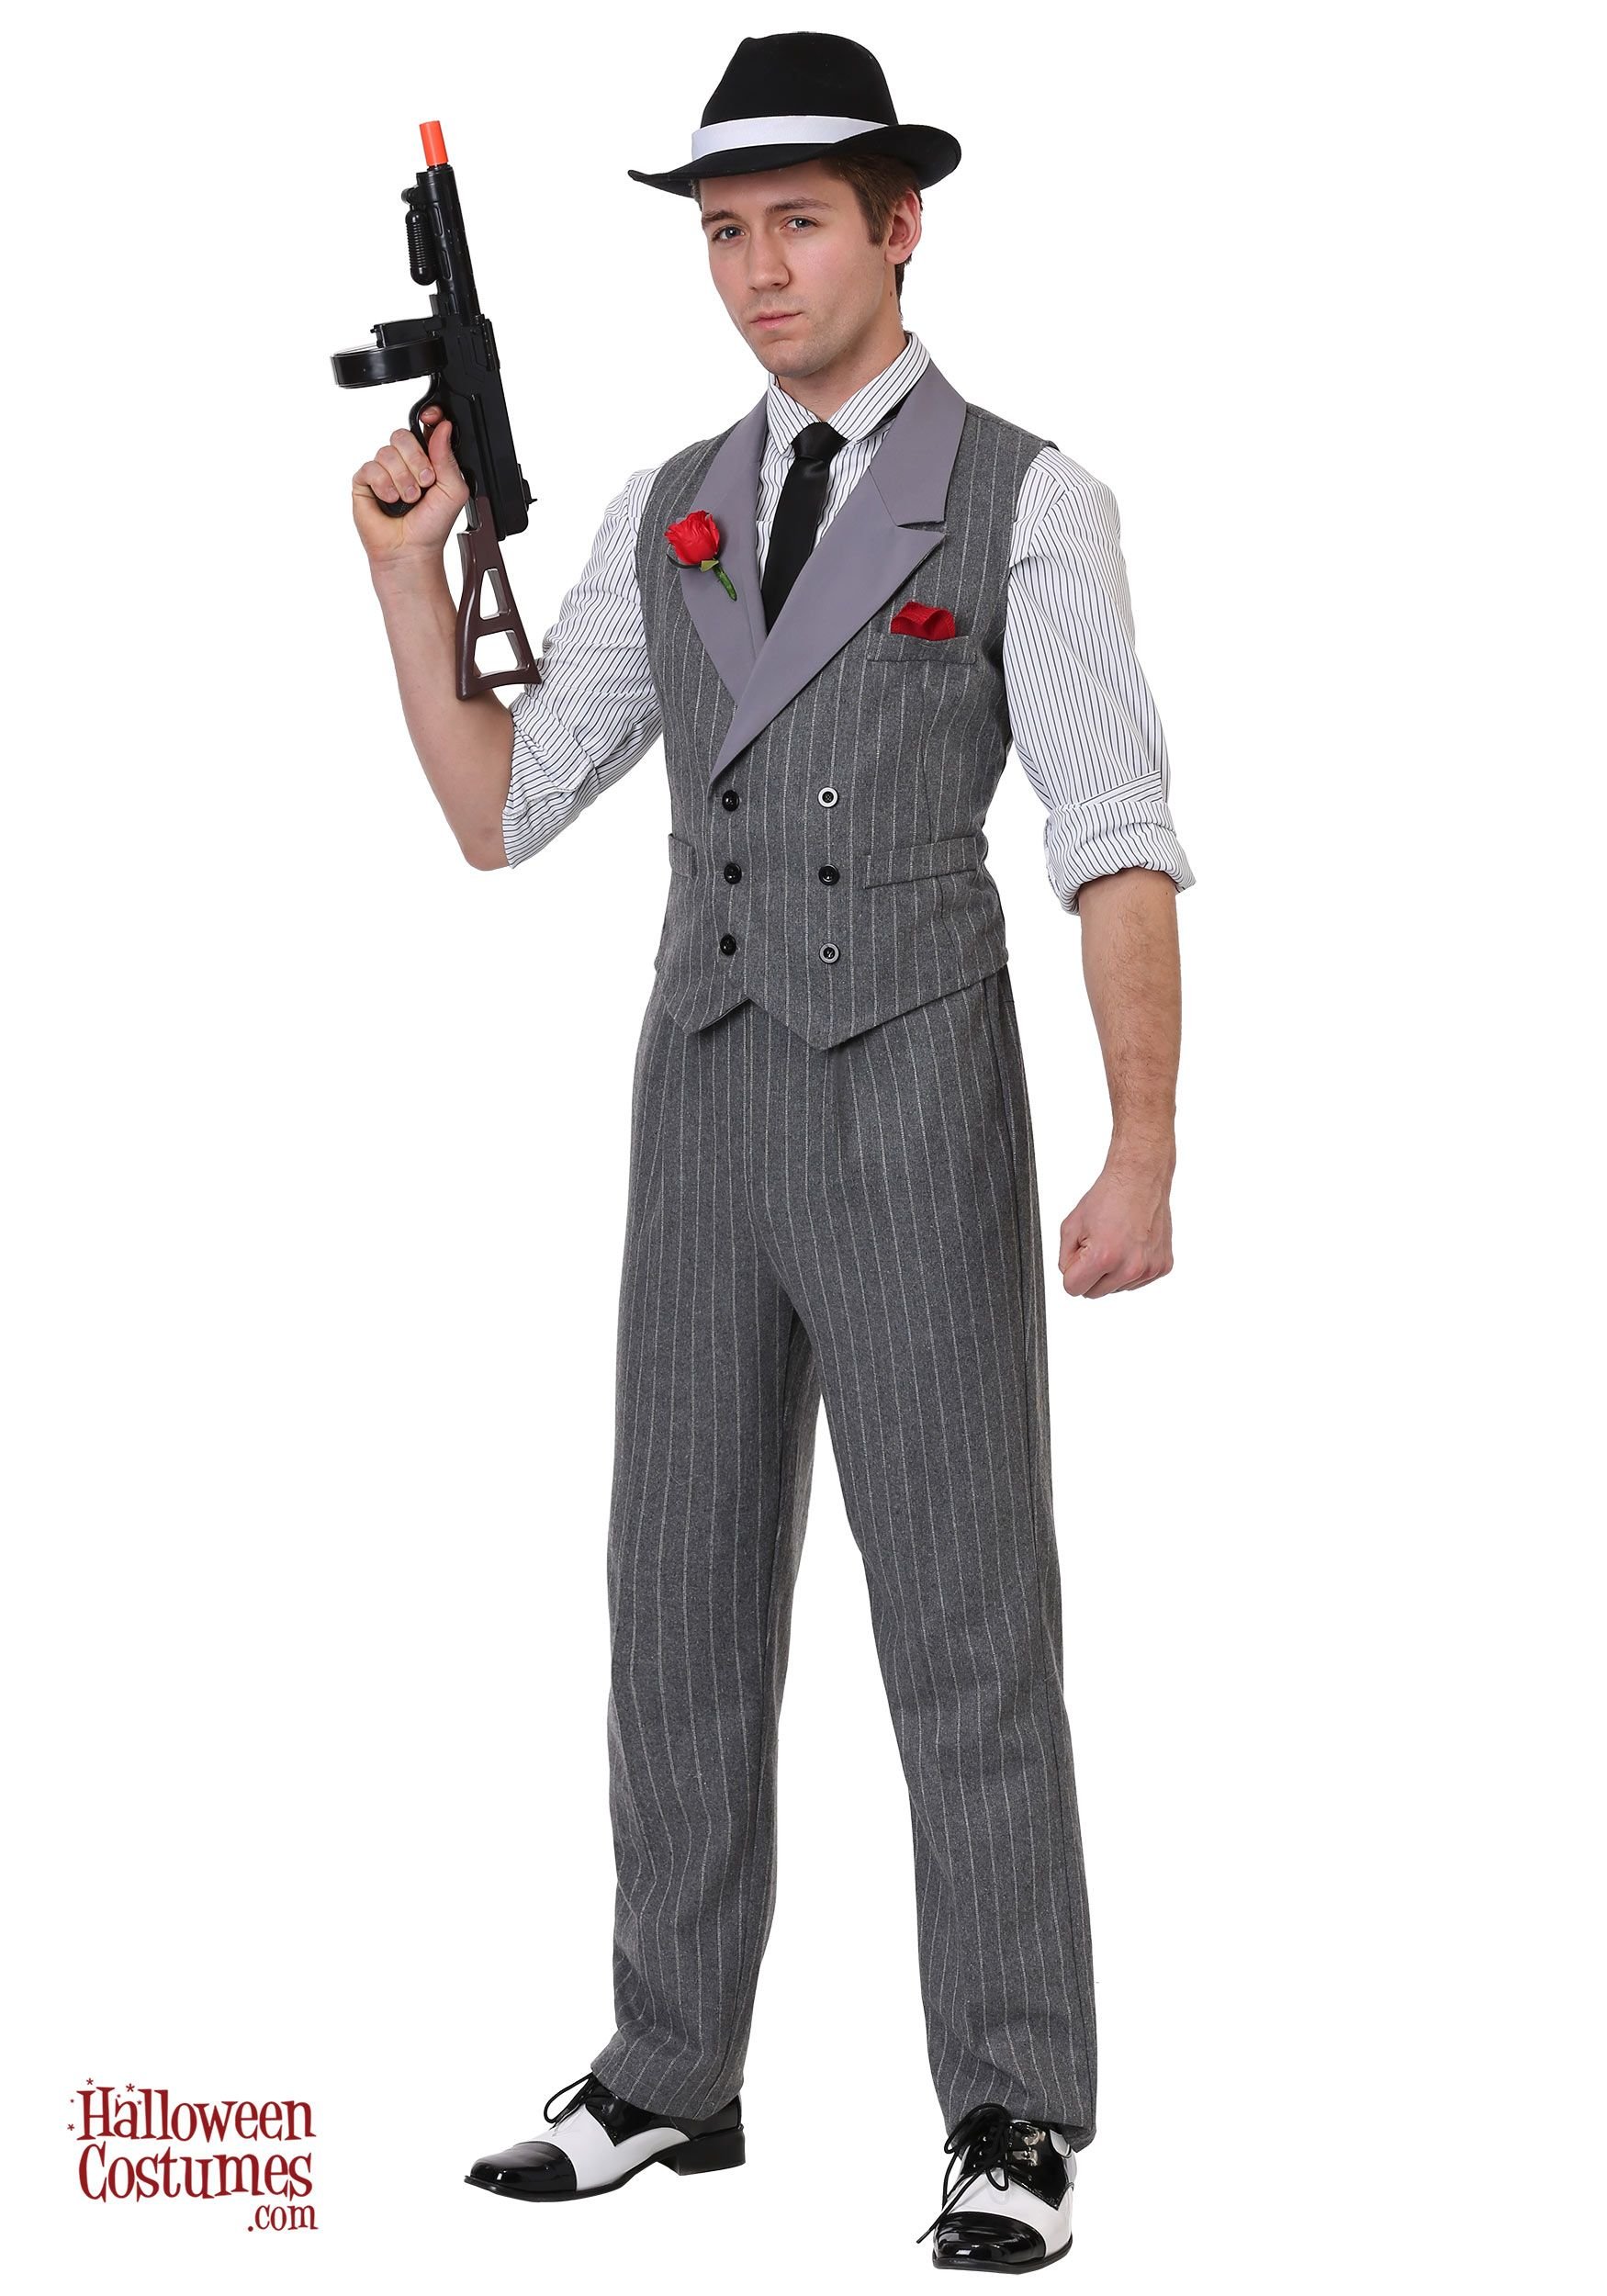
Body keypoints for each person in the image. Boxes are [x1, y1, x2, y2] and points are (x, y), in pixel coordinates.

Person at [351, 29, 1194, 2273]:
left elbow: (1114, 840)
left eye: (796, 222)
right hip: (702, 1091)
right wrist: (410, 578)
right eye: (723, 231)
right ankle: (668, 2065)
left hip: (916, 1088)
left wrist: (1140, 1146)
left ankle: (1012, 2104)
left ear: (898, 227)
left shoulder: (1029, 498)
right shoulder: (666, 506)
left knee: (962, 1617)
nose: (754, 268)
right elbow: (502, 808)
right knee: (675, 1598)